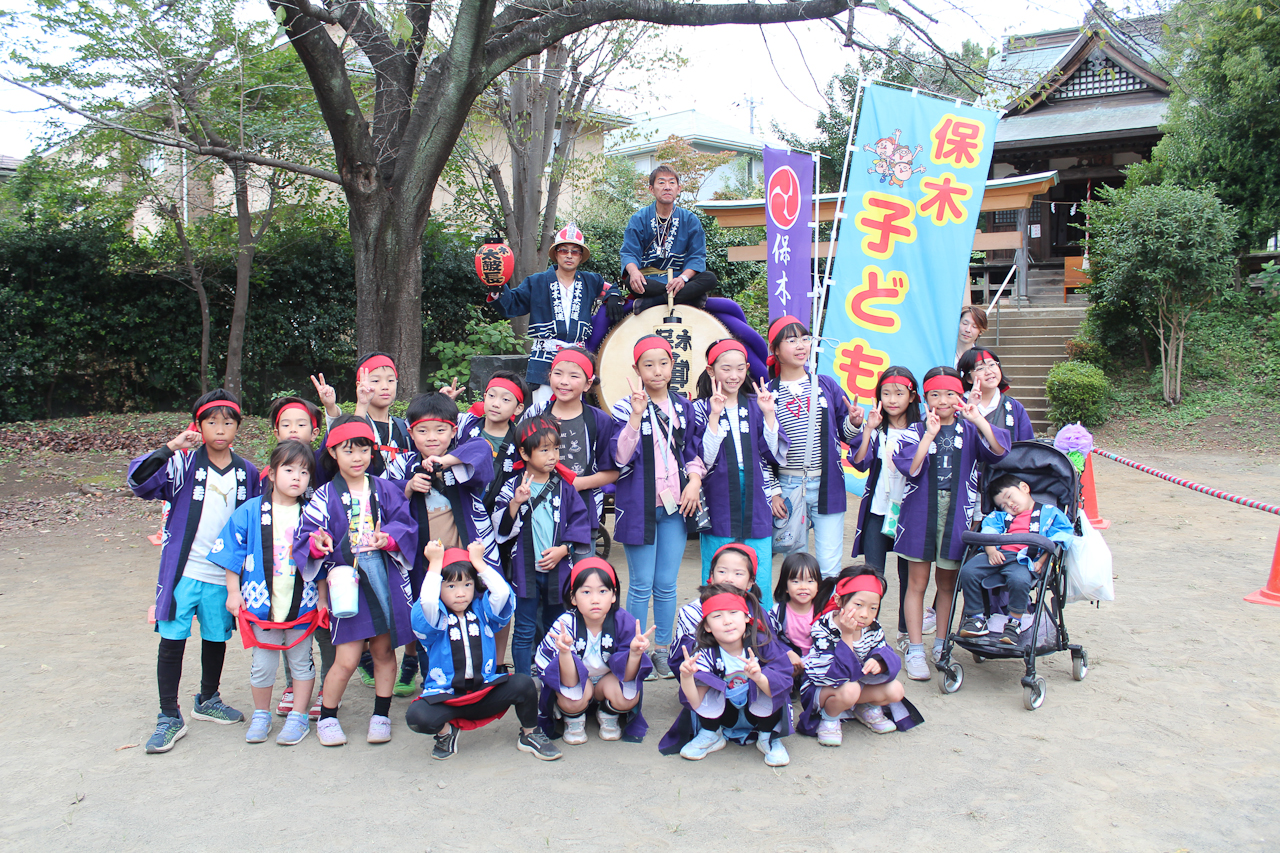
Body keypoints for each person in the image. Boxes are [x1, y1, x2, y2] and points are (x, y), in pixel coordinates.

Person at [128, 389, 260, 754]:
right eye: (211, 422)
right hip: (184, 571)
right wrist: (172, 446)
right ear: (198, 426)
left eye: (228, 422)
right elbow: (138, 481)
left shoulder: (247, 473)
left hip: (223, 574)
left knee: (216, 637)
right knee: (172, 639)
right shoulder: (183, 464)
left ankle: (208, 698)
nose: (220, 429)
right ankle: (168, 714)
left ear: (238, 427)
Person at [294, 416, 418, 747]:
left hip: (382, 573)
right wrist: (317, 543)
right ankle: (327, 717)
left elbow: (406, 525)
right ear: (333, 453)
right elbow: (306, 535)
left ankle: (381, 715)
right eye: (347, 451)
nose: (357, 457)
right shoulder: (323, 495)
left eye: (363, 449)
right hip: (346, 579)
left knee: (383, 650)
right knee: (347, 658)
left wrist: (388, 539)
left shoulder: (385, 489)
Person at [892, 367, 1009, 681]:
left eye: (950, 394)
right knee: (916, 583)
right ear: (925, 397)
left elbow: (999, 450)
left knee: (947, 585)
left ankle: (942, 646)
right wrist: (929, 435)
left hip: (957, 513)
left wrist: (978, 418)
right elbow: (911, 468)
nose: (942, 401)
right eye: (935, 394)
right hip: (919, 512)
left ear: (960, 396)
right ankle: (915, 649)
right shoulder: (915, 430)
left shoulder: (969, 429)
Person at [209, 441, 321, 746]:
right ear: (271, 473)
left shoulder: (312, 513)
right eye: (289, 469)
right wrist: (233, 591)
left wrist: (324, 599)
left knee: (302, 662)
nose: (296, 477)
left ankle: (298, 716)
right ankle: (261, 714)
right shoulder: (250, 511)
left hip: (302, 603)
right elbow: (232, 553)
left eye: (304, 472)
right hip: (261, 603)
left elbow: (324, 559)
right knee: (262, 664)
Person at [406, 541, 562, 760]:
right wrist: (435, 563)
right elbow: (428, 601)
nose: (461, 593)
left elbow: (502, 593)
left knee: (524, 684)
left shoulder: (483, 611)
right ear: (439, 587)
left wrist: (479, 562)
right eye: (451, 586)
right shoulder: (436, 618)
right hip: (448, 698)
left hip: (485, 693)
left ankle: (530, 734)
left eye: (467, 584)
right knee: (417, 716)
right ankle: (446, 733)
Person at [387, 392, 499, 696]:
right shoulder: (403, 464)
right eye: (422, 431)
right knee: (430, 623)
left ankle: (475, 681)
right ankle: (433, 685)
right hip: (426, 565)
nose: (432, 437)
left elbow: (482, 452)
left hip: (465, 563)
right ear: (411, 433)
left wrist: (443, 462)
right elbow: (384, 496)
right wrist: (409, 486)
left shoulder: (461, 457)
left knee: (473, 619)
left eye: (440, 430)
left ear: (453, 430)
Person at [610, 334, 706, 678]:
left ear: (672, 365)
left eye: (663, 363)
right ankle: (637, 650)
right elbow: (620, 457)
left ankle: (663, 649)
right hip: (639, 506)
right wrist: (636, 417)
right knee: (640, 584)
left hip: (675, 507)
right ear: (636, 369)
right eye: (648, 365)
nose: (657, 371)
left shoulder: (683, 407)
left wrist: (694, 481)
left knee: (666, 583)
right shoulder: (624, 407)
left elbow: (693, 451)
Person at [492, 416, 592, 678]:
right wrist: (515, 503)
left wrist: (564, 549)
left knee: (556, 626)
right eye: (544, 450)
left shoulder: (564, 486)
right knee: (524, 628)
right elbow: (500, 529)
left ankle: (554, 678)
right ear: (525, 453)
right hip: (525, 571)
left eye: (556, 449)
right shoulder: (512, 486)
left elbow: (580, 522)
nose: (552, 456)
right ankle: (523, 682)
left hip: (558, 570)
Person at [766, 316, 863, 579]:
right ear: (775, 349)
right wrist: (773, 492)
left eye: (805, 338)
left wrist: (854, 422)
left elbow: (845, 434)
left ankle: (827, 606)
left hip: (826, 484)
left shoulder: (826, 385)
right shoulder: (768, 393)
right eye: (792, 340)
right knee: (796, 567)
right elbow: (762, 451)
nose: (801, 345)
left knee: (830, 567)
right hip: (787, 485)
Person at [847, 367, 935, 650]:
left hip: (910, 513)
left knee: (909, 577)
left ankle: (905, 632)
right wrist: (868, 428)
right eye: (886, 393)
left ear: (913, 396)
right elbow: (859, 462)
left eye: (899, 393)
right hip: (878, 510)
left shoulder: (923, 429)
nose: (892, 400)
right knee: (873, 575)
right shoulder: (878, 428)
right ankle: (867, 631)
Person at [488, 224, 622, 409]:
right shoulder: (536, 282)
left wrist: (613, 296)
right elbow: (512, 303)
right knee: (543, 411)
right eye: (564, 250)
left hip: (576, 357)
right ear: (556, 254)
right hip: (545, 357)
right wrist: (496, 287)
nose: (569, 255)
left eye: (575, 251)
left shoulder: (591, 281)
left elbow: (611, 289)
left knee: (573, 410)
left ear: (581, 256)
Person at [659, 585, 793, 767]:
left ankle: (768, 737)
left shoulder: (762, 644)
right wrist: (686, 677)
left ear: (746, 617)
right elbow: (696, 702)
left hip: (760, 712)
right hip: (725, 715)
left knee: (774, 680)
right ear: (707, 626)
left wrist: (759, 677)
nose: (727, 621)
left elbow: (782, 685)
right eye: (717, 616)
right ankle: (711, 733)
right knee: (706, 683)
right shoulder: (704, 653)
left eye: (733, 612)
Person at [693, 338, 784, 605]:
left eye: (740, 368)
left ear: (747, 368)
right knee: (718, 562)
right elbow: (704, 459)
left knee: (759, 564)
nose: (734, 375)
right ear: (711, 370)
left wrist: (769, 414)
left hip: (756, 490)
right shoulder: (699, 408)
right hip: (719, 491)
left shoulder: (758, 403)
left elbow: (771, 453)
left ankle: (760, 622)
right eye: (726, 368)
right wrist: (714, 416)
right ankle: (715, 615)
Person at [262, 396, 333, 720]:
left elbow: (339, 442)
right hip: (282, 568)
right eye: (286, 424)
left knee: (324, 628)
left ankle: (328, 688)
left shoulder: (322, 465)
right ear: (276, 431)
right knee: (288, 624)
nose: (293, 429)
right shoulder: (268, 475)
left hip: (321, 565)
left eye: (301, 424)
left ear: (314, 431)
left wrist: (332, 408)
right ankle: (293, 685)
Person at [796, 570, 923, 746]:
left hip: (856, 685)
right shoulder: (823, 627)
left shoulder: (872, 627)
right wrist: (847, 635)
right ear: (839, 601)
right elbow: (830, 676)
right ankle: (829, 718)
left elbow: (886, 652)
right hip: (824, 689)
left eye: (873, 608)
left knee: (896, 690)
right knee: (851, 689)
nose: (865, 614)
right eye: (858, 605)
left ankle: (864, 707)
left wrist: (879, 662)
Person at [534, 558, 654, 744]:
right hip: (577, 684)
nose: (595, 599)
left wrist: (635, 654)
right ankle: (573, 717)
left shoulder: (624, 622)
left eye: (603, 591)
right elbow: (562, 678)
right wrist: (564, 652)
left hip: (608, 682)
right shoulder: (565, 625)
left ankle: (608, 712)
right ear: (573, 597)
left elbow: (629, 677)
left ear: (614, 595)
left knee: (628, 697)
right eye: (586, 592)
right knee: (570, 699)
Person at [455, 371, 529, 670]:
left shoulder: (520, 439)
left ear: (518, 408)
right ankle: (465, 661)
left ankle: (497, 663)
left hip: (501, 526)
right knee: (461, 590)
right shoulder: (465, 428)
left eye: (505, 399)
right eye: (491, 395)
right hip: (462, 520)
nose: (496, 403)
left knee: (499, 592)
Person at [957, 473, 1075, 645]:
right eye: (1003, 505)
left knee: (1020, 579)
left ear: (1024, 488)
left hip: (1024, 559)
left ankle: (1014, 622)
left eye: (1009, 497)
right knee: (968, 571)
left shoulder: (1050, 513)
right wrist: (991, 551)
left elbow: (1057, 539)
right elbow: (988, 532)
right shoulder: (1000, 516)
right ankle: (976, 617)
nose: (1009, 505)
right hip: (998, 554)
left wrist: (1042, 562)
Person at [519, 347, 618, 541]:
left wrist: (579, 483)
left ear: (588, 383)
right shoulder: (535, 413)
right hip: (537, 507)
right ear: (549, 377)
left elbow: (612, 471)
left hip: (583, 509)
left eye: (574, 376)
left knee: (582, 559)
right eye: (558, 374)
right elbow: (521, 456)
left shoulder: (599, 420)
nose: (564, 381)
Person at [620, 165, 719, 314]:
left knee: (709, 278)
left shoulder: (690, 219)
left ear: (678, 189)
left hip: (680, 278)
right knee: (630, 279)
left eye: (671, 183)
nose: (667, 187)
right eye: (661, 182)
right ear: (651, 189)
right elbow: (629, 252)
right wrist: (634, 272)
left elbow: (697, 255)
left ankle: (653, 302)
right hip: (650, 280)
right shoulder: (639, 218)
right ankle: (689, 296)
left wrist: (683, 279)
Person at [670, 541, 769, 668]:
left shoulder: (755, 609)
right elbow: (679, 658)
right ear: (711, 576)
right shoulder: (692, 612)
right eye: (722, 571)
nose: (729, 579)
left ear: (750, 582)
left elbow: (773, 652)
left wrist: (761, 676)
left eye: (738, 573)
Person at [768, 552, 829, 691]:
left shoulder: (823, 612)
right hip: (789, 660)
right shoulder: (778, 612)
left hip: (816, 661)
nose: (803, 587)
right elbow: (770, 638)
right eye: (796, 581)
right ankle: (789, 687)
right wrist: (788, 653)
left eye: (810, 581)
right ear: (785, 586)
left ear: (818, 585)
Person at [957, 347, 1035, 442]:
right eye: (980, 368)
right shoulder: (957, 406)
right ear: (968, 378)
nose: (989, 372)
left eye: (992, 364)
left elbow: (1027, 445)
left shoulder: (1015, 407)